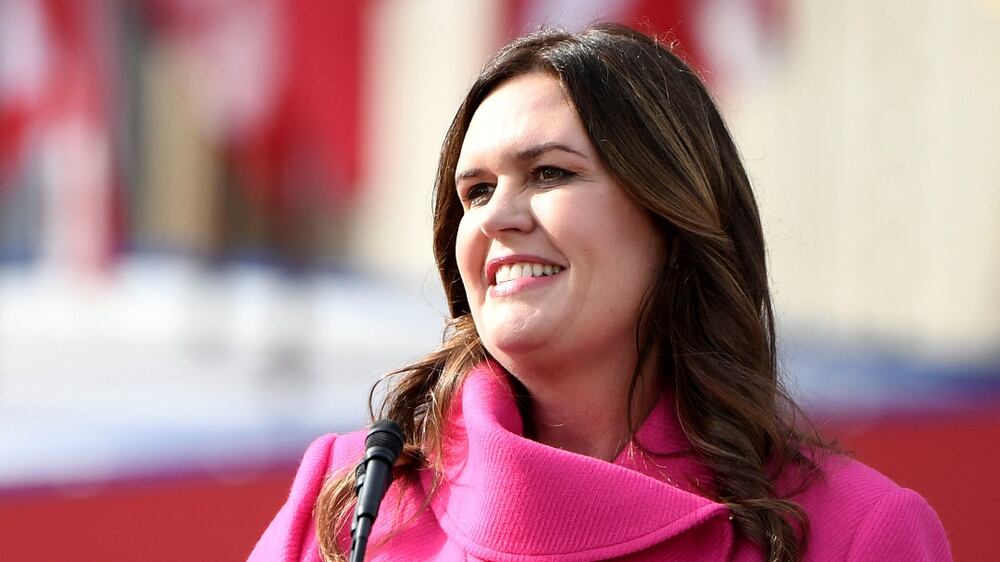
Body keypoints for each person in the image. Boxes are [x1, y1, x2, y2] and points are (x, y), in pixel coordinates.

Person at [249, 23, 951, 562]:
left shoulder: (856, 532)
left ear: (673, 218)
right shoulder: (348, 502)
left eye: (550, 173)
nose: (494, 216)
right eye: (477, 191)